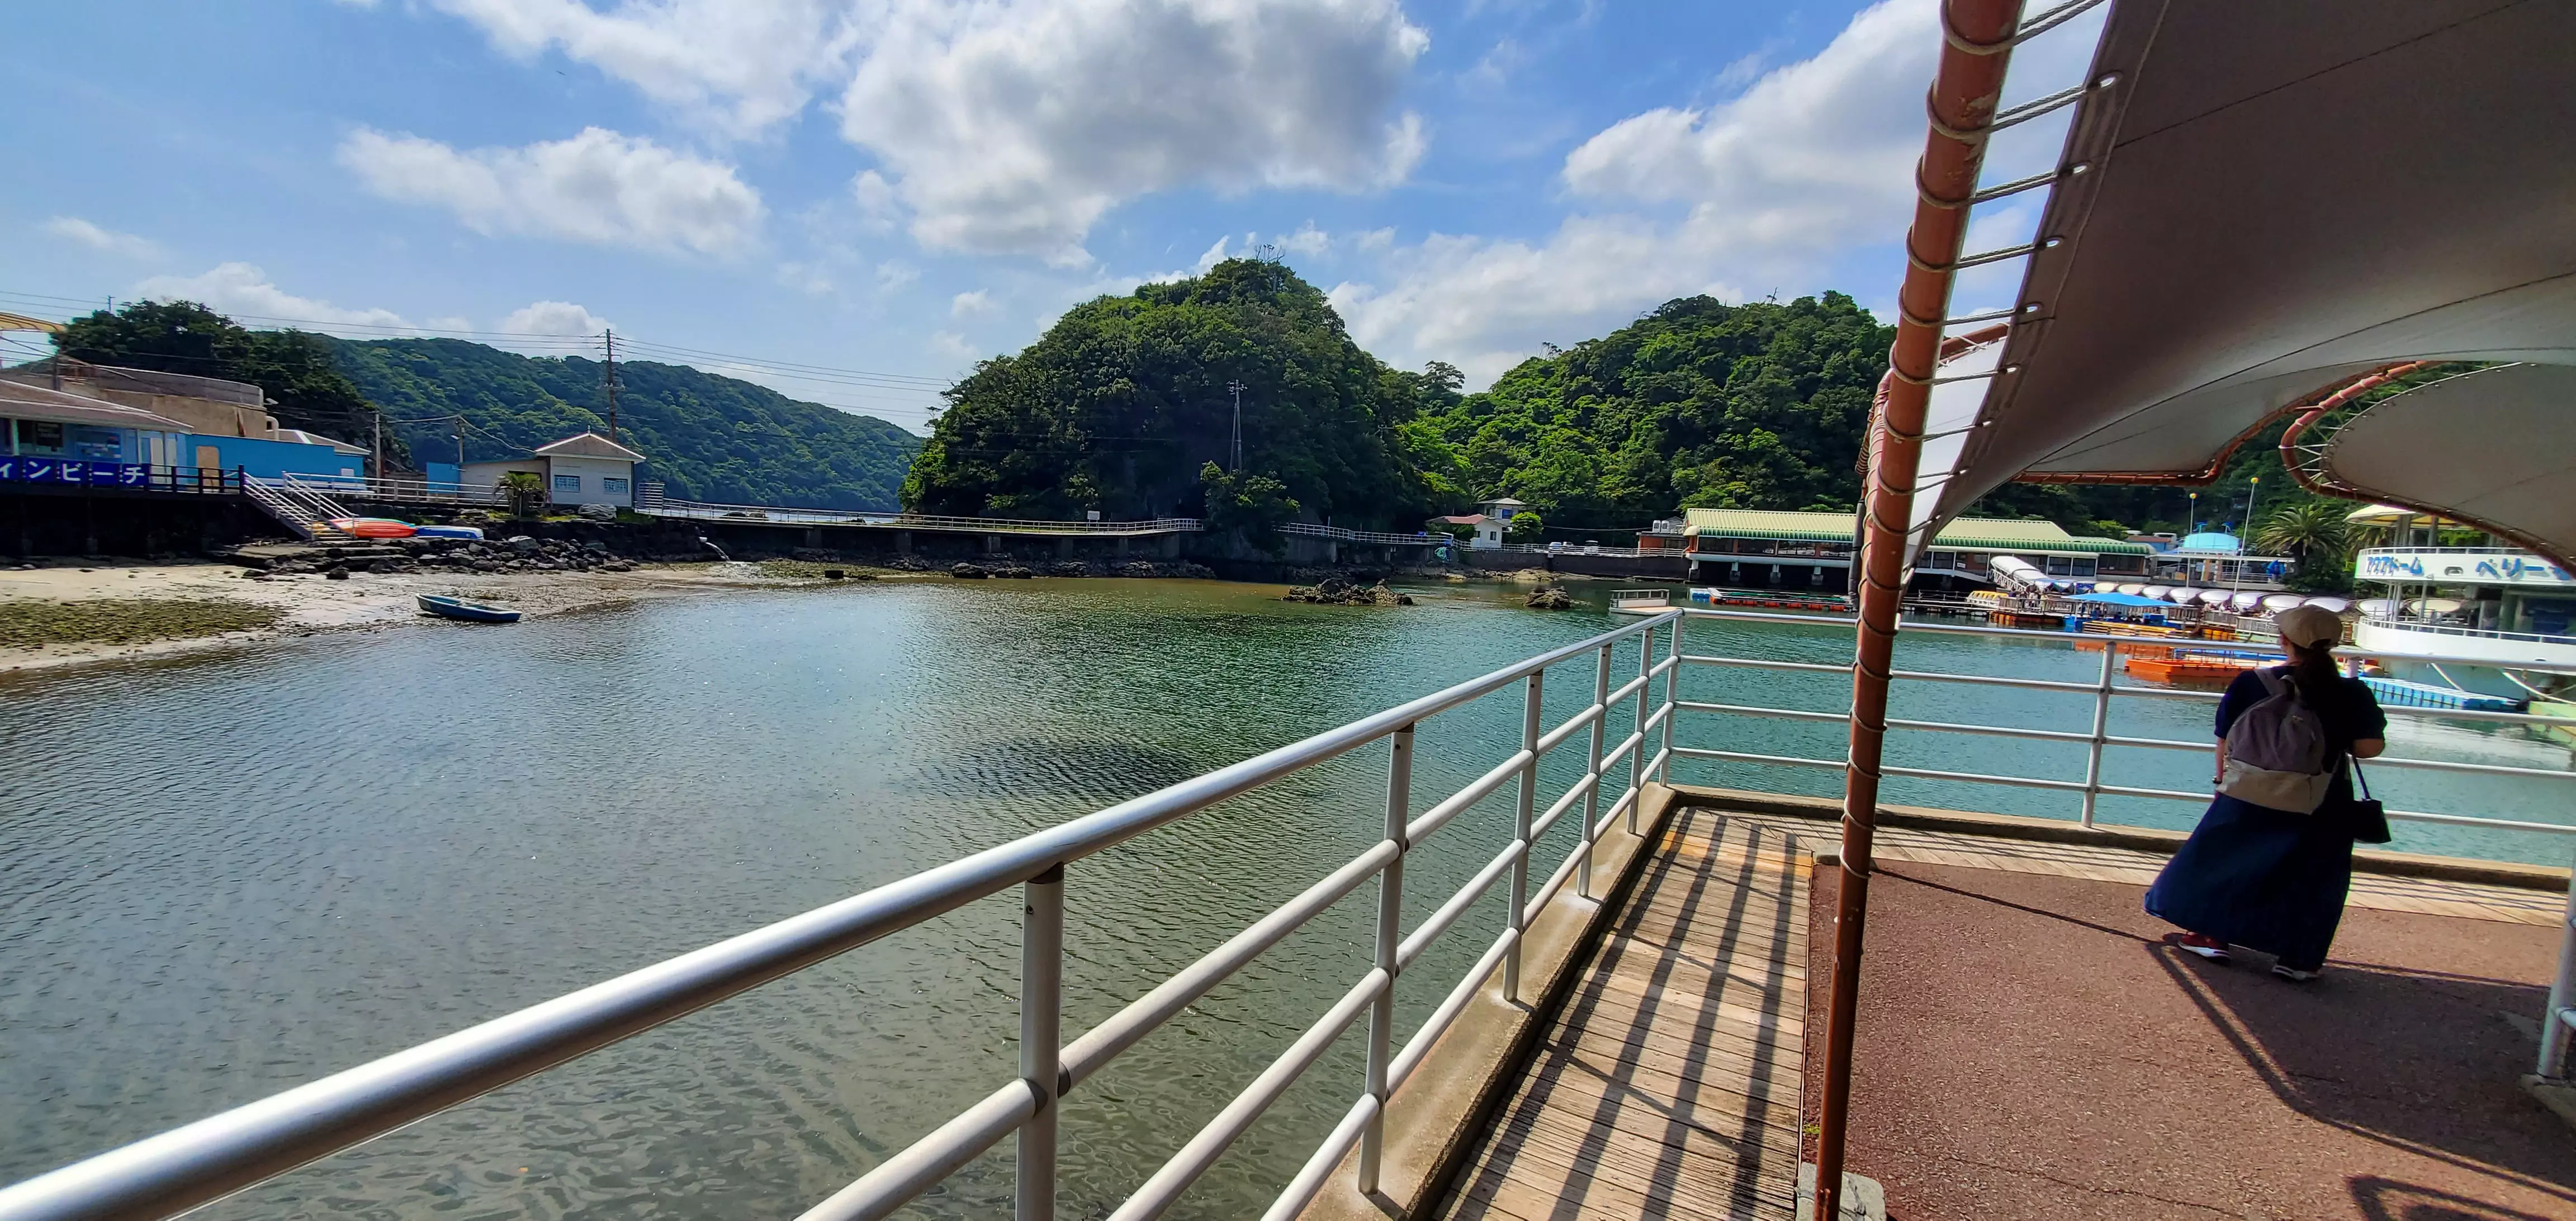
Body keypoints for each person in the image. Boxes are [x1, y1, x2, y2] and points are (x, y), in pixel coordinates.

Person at [2146, 605, 2386, 981]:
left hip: (2250, 791)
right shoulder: (2351, 691)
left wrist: (2220, 784)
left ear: (2284, 641)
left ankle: (2211, 937)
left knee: (2229, 863)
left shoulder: (2252, 683)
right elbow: (2369, 747)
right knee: (2315, 874)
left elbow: (2226, 739)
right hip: (2322, 797)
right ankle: (2298, 958)